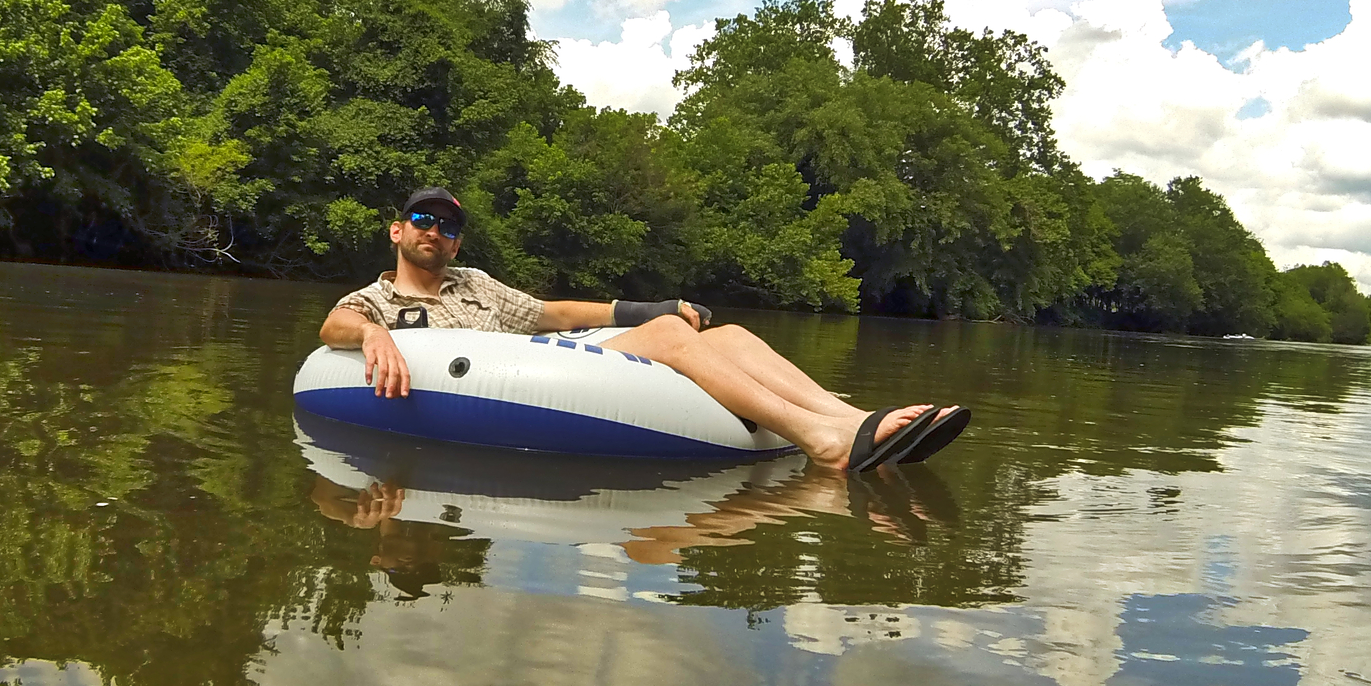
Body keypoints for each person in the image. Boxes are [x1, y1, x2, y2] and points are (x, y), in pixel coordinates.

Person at [316, 186, 970, 472]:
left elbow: (558, 315)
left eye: (449, 225)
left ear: (457, 242)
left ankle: (847, 419)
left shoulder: (477, 283)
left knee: (730, 337)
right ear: (397, 230)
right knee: (666, 339)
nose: (436, 232)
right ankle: (823, 444)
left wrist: (650, 305)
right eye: (423, 221)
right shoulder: (376, 298)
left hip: (543, 359)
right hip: (506, 381)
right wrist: (377, 335)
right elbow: (331, 325)